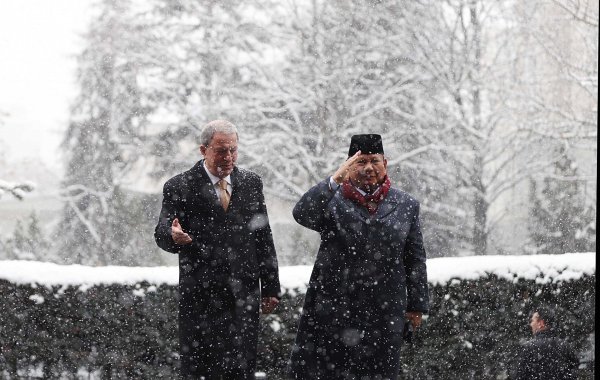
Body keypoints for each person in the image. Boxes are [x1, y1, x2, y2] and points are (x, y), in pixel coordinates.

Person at [288, 134, 429, 379]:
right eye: (360, 162)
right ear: (349, 165)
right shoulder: (332, 201)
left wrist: (416, 305)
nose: (368, 168)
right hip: (335, 311)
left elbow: (415, 258)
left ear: (385, 162)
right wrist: (334, 180)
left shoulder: (406, 204)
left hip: (385, 313)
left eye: (374, 161)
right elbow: (302, 213)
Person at [154, 119, 281, 379]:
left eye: (233, 149)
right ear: (203, 150)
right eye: (221, 150)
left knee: (241, 367)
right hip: (201, 297)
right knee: (201, 369)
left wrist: (270, 287)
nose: (229, 156)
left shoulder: (251, 184)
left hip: (243, 296)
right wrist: (172, 236)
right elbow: (162, 231)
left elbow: (263, 237)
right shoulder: (179, 186)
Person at [513, 307, 579, 380]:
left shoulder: (529, 347)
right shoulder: (564, 345)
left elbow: (519, 375)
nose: (531, 324)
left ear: (541, 323)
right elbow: (574, 369)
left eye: (532, 321)